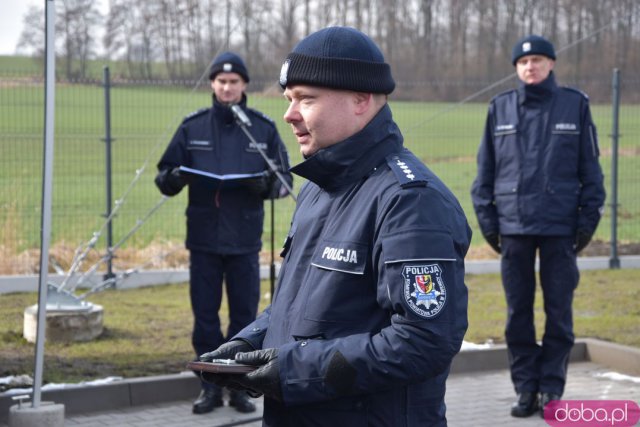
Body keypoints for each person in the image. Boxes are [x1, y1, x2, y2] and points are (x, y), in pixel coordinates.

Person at [197, 26, 471, 426]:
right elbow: (303, 307)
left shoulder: (410, 201)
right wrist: (248, 343)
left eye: (306, 99)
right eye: (290, 99)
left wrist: (295, 370)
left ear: (361, 99)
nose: (289, 114)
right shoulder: (317, 189)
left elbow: (424, 341)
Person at [471, 35, 606, 418]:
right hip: (513, 229)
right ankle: (525, 389)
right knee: (518, 314)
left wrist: (585, 225)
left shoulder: (574, 105)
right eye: (524, 61)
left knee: (559, 312)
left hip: (560, 228)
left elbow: (591, 174)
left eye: (538, 60)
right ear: (516, 68)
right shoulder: (500, 109)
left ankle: (552, 389)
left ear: (551, 65)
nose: (531, 67)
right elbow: (484, 176)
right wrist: (489, 224)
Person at [154, 51, 293, 415]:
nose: (227, 87)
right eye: (220, 81)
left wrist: (264, 186)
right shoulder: (193, 126)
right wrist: (173, 178)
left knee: (244, 317)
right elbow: (164, 176)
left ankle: (242, 387)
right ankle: (209, 388)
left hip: (245, 241)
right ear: (212, 84)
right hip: (203, 240)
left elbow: (283, 182)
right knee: (205, 317)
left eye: (233, 82)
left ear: (244, 85)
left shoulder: (261, 128)